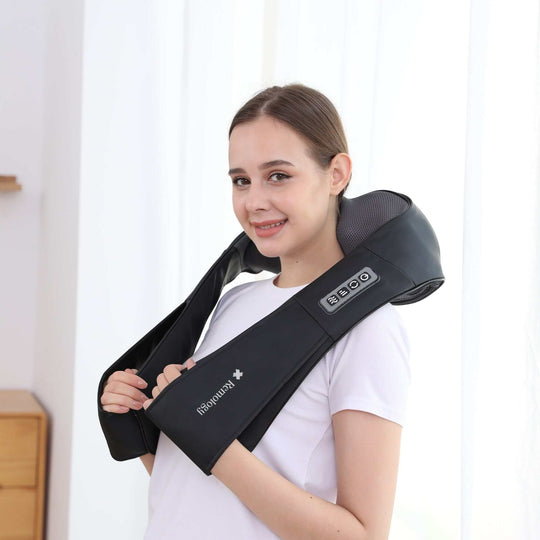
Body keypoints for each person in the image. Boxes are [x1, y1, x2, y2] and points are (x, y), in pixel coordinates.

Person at [100, 83, 410, 539]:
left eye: (278, 175)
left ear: (337, 174)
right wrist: (149, 416)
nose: (254, 201)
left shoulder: (369, 329)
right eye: (240, 180)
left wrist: (205, 433)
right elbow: (200, 492)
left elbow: (364, 534)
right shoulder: (236, 302)